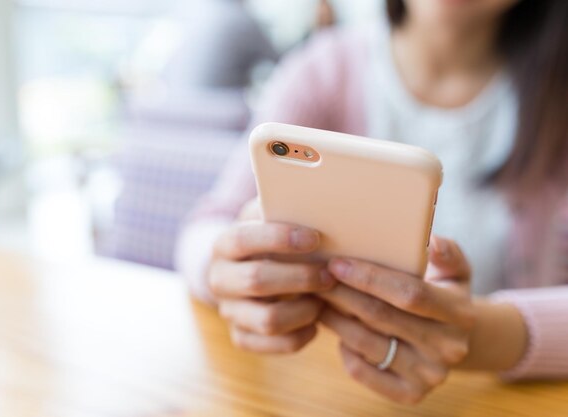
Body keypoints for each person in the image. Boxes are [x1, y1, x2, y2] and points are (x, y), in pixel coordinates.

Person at [175, 0, 568, 404]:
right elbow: (206, 227)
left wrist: (487, 335)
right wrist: (227, 271)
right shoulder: (323, 70)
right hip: (322, 394)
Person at [163, 0, 279, 90]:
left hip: (177, 104)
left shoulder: (199, 16)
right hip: (219, 107)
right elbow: (282, 62)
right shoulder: (242, 20)